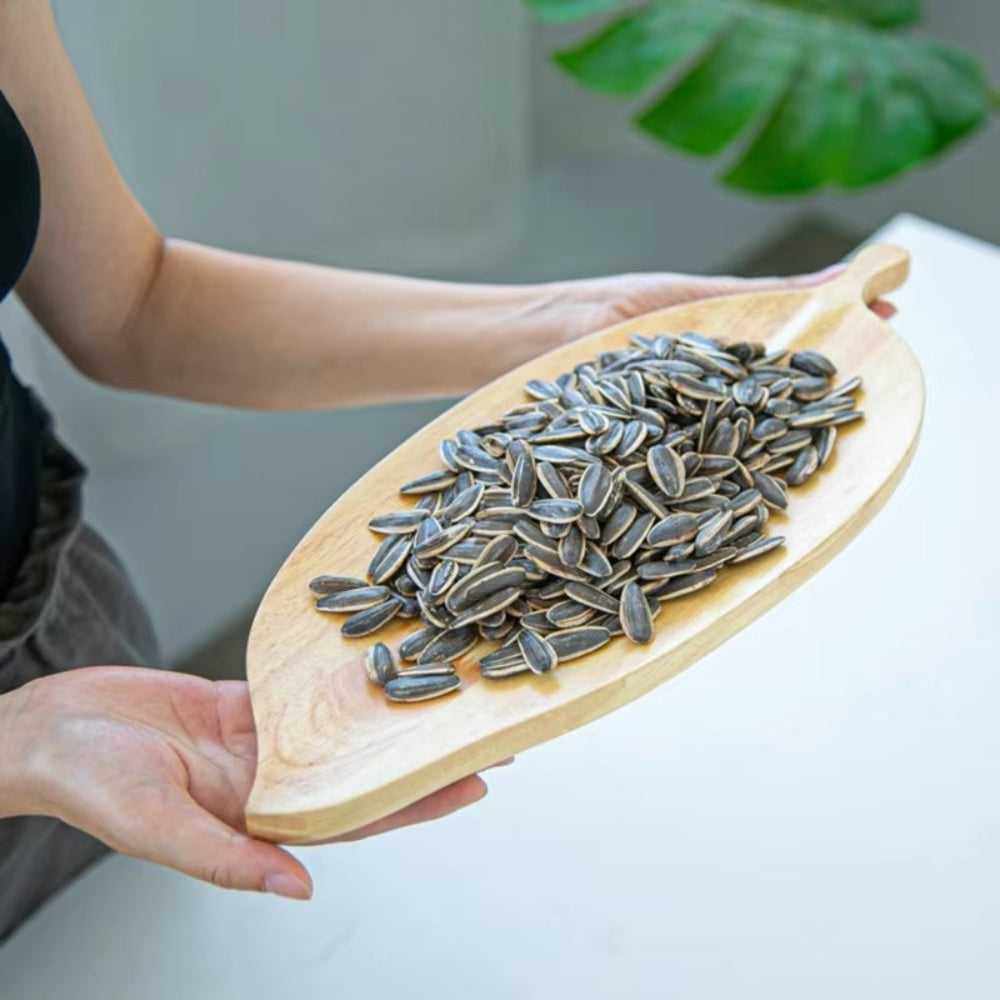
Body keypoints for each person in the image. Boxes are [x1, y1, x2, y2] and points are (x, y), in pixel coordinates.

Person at [0, 0, 895, 943]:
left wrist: (576, 326)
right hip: (48, 734)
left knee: (134, 944)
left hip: (63, 625)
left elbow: (134, 303)